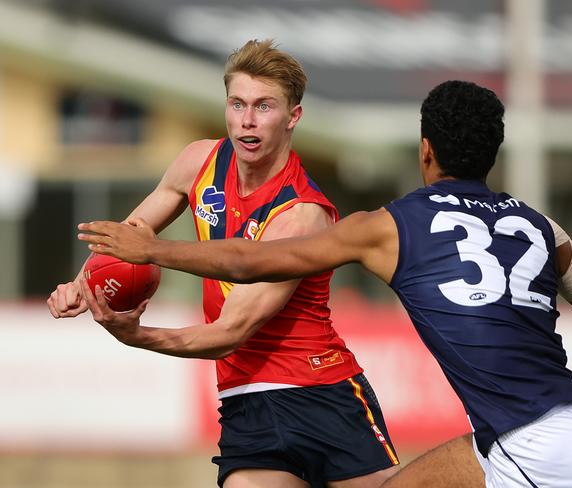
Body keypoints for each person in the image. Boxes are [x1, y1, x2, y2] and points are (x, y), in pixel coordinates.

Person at [78, 80, 572, 488]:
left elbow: (254, 261)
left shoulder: (386, 228)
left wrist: (153, 249)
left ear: (425, 150)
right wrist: (565, 266)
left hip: (530, 455)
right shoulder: (539, 227)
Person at [48, 39, 401, 488]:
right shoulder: (199, 161)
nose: (247, 121)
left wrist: (137, 336)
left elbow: (228, 332)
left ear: (293, 116)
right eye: (237, 104)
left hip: (322, 396)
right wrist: (82, 285)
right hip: (244, 401)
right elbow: (128, 237)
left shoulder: (300, 213)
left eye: (264, 106)